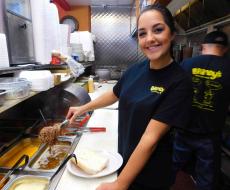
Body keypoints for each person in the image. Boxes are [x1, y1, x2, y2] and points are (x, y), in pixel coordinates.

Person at [67, 3, 192, 190]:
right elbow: (115, 94)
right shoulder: (136, 69)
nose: (149, 39)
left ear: (172, 34)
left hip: (151, 171)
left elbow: (150, 139)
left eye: (158, 30)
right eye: (142, 33)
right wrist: (83, 108)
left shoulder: (179, 82)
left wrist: (120, 184)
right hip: (126, 156)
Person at [172, 30, 230, 190]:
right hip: (210, 136)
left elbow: (174, 97)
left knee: (170, 168)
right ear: (225, 49)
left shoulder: (186, 65)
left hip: (183, 130)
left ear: (203, 46)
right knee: (206, 179)